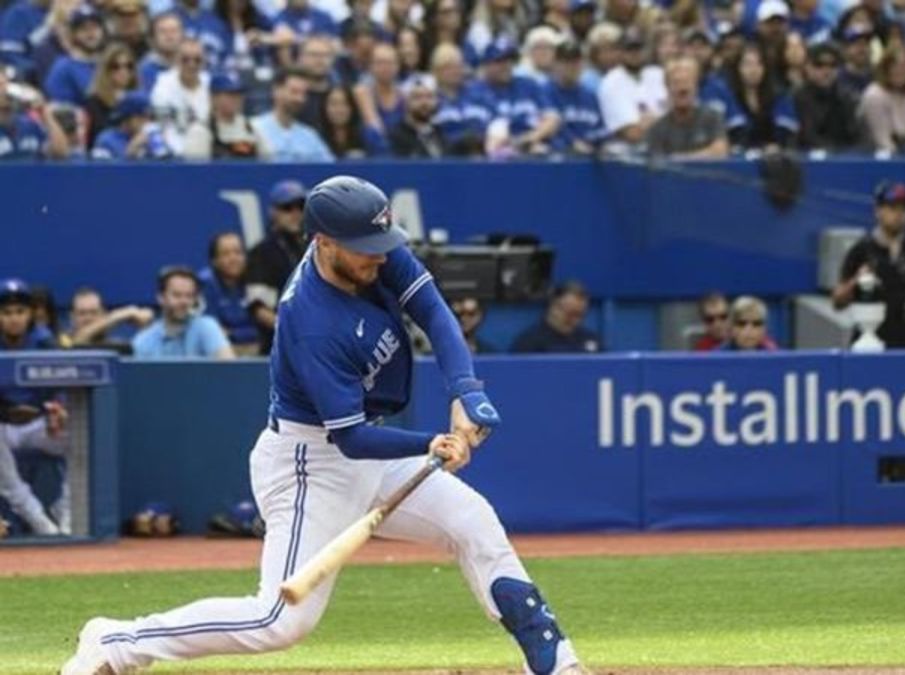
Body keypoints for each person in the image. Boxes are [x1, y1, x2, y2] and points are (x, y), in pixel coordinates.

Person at [63, 175, 587, 675]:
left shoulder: (373, 251)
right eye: (366, 245)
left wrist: (465, 392)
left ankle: (551, 655)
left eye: (383, 240)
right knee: (279, 620)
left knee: (472, 521)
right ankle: (116, 641)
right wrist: (430, 442)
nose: (381, 253)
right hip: (311, 464)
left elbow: (433, 311)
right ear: (324, 243)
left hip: (367, 451)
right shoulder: (310, 321)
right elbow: (351, 438)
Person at [831, 181, 905, 349]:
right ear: (878, 211)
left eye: (904, 209)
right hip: (871, 340)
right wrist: (857, 280)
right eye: (892, 208)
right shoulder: (862, 250)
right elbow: (837, 301)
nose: (899, 214)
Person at [0, 279, 68, 536]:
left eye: (20, 312)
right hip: (4, 425)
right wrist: (5, 412)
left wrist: (58, 409)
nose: (14, 319)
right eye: (6, 313)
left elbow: (64, 385)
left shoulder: (45, 342)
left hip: (40, 424)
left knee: (81, 434)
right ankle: (38, 519)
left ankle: (66, 511)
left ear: (31, 314)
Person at [131, 266, 235, 359]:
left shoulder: (208, 326)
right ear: (161, 298)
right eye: (177, 295)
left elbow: (229, 371)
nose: (184, 301)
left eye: (189, 296)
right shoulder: (143, 341)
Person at [199, 232, 273, 356]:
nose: (233, 259)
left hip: (259, 350)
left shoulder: (256, 281)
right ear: (214, 261)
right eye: (226, 254)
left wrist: (234, 333)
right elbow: (213, 331)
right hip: (220, 352)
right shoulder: (205, 283)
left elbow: (264, 329)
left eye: (238, 252)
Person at [246, 179, 309, 317]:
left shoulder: (315, 246)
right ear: (273, 212)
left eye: (300, 206)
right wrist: (288, 332)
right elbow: (259, 308)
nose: (295, 213)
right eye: (287, 207)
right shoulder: (262, 252)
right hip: (281, 331)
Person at [598, 28, 666, 153]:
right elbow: (633, 134)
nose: (635, 53)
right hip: (629, 156)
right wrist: (664, 122)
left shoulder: (658, 74)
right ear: (620, 51)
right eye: (630, 49)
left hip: (665, 150)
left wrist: (651, 123)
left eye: (638, 48)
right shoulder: (611, 82)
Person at [646, 56, 728, 158]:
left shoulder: (713, 118)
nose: (682, 88)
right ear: (667, 88)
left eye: (687, 82)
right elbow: (657, 166)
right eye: (676, 83)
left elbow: (720, 151)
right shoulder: (657, 129)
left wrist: (679, 159)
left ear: (696, 87)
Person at [858, 45, 905, 155]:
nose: (900, 70)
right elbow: (882, 139)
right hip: (878, 153)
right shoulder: (874, 95)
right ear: (886, 69)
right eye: (894, 66)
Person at [251, 67, 335, 162]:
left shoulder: (309, 135)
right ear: (276, 91)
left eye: (303, 94)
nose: (299, 99)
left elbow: (329, 168)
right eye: (294, 92)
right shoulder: (254, 128)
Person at [793, 42, 862, 152]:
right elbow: (807, 137)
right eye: (819, 65)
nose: (826, 71)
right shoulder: (797, 97)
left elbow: (856, 137)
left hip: (844, 159)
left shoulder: (847, 97)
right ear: (807, 67)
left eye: (832, 65)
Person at [150, 37, 211, 154]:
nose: (191, 64)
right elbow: (162, 126)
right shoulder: (163, 84)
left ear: (204, 61)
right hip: (172, 155)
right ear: (176, 60)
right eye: (185, 60)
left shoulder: (210, 84)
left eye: (197, 60)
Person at [544, 41, 606, 155]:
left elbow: (601, 129)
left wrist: (596, 143)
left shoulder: (590, 95)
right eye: (566, 62)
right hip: (556, 160)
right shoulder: (544, 92)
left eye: (576, 62)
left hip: (589, 158)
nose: (571, 67)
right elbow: (547, 129)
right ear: (555, 64)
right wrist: (571, 143)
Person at [187, 71, 264, 159]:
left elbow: (269, 164)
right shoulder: (201, 131)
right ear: (214, 98)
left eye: (239, 93)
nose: (237, 99)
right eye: (230, 94)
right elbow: (195, 170)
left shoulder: (251, 128)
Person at [510, 280, 601, 353]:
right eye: (570, 314)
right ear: (553, 306)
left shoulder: (591, 340)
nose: (575, 321)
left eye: (580, 315)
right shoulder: (529, 343)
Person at [43, 5, 106, 106]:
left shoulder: (111, 62)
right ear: (73, 34)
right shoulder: (63, 68)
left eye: (95, 27)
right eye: (83, 28)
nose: (91, 33)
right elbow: (62, 111)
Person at [0, 69, 69, 160]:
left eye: (7, 84)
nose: (4, 90)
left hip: (32, 173)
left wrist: (44, 112)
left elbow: (61, 153)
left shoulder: (29, 125)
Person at [83, 43, 141, 148]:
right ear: (105, 70)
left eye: (129, 66)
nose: (123, 71)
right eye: (115, 67)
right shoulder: (94, 101)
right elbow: (100, 132)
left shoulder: (140, 99)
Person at [64, 287, 153, 353]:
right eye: (82, 313)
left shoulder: (118, 348)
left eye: (94, 312)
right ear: (72, 317)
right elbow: (78, 342)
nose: (88, 318)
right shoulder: (63, 343)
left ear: (103, 314)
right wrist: (126, 313)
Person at [91, 92, 174, 160]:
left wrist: (164, 147)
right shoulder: (106, 140)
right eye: (141, 117)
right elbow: (101, 175)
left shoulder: (151, 137)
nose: (146, 121)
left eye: (148, 117)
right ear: (126, 118)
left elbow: (171, 169)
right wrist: (129, 154)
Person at [318, 84, 390, 157]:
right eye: (333, 104)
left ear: (353, 107)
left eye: (344, 104)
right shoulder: (316, 136)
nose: (339, 110)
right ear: (324, 108)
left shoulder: (369, 135)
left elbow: (383, 162)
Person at [389, 73, 444, 157]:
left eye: (429, 97)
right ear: (406, 102)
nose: (424, 102)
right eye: (417, 97)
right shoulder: (394, 136)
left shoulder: (440, 133)